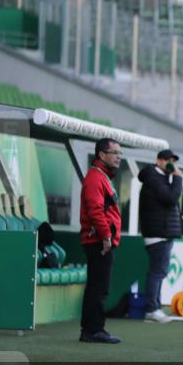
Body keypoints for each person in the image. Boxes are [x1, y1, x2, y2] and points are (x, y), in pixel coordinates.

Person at [79, 138, 123, 344]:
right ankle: (94, 330)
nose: (118, 157)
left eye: (119, 153)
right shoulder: (96, 177)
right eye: (114, 152)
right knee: (98, 288)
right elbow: (95, 210)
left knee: (96, 287)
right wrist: (106, 236)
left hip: (100, 240)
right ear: (101, 154)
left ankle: (90, 329)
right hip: (98, 241)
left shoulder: (102, 176)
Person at [138, 148, 183, 323]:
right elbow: (171, 198)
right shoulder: (153, 178)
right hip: (158, 233)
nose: (172, 164)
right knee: (158, 272)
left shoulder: (160, 178)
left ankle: (155, 306)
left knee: (160, 271)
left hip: (162, 233)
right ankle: (151, 309)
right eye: (168, 160)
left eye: (174, 161)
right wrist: (178, 177)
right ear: (158, 161)